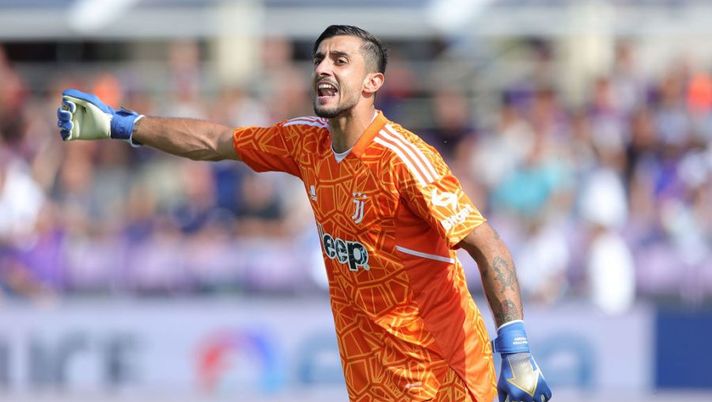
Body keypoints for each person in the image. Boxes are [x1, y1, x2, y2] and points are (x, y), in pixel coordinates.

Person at [57, 25, 551, 402]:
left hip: (447, 381)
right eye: (318, 59)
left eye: (340, 60)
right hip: (371, 383)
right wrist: (124, 125)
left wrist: (518, 350)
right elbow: (217, 141)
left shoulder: (406, 159)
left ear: (374, 81)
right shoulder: (305, 142)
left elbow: (489, 246)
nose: (323, 69)